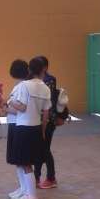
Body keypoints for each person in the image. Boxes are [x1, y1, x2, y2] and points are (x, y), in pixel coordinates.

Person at [8, 56, 51, 199]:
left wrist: (10, 101)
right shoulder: (45, 88)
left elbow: (22, 107)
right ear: (43, 70)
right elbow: (46, 114)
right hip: (36, 127)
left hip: (23, 127)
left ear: (29, 70)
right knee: (24, 162)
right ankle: (26, 193)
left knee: (25, 163)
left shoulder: (24, 85)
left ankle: (32, 197)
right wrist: (43, 131)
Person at [0, 59, 29, 199]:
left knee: (21, 160)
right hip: (13, 123)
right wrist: (5, 107)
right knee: (17, 160)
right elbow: (15, 107)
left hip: (18, 124)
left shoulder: (22, 87)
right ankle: (23, 188)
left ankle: (27, 191)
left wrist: (7, 107)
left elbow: (20, 109)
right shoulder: (18, 86)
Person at [34, 55, 58, 189]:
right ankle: (36, 177)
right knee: (39, 149)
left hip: (48, 120)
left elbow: (46, 101)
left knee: (45, 149)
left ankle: (51, 178)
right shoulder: (34, 80)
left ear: (44, 67)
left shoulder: (49, 80)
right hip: (37, 120)